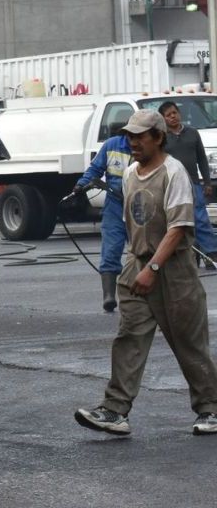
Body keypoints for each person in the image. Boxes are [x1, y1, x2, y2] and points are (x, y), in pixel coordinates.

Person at [74, 109, 217, 437]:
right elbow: (132, 223)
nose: (132, 142)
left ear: (158, 137)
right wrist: (134, 264)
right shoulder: (130, 174)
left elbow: (179, 228)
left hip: (173, 271)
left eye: (140, 136)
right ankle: (115, 411)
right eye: (130, 136)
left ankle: (210, 408)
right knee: (129, 338)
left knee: (188, 343)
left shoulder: (173, 172)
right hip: (137, 267)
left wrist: (153, 268)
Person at [73, 131, 133, 312]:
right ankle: (108, 295)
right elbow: (95, 169)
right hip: (115, 204)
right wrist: (80, 185)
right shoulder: (112, 145)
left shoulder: (148, 148)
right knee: (111, 248)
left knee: (143, 250)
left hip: (140, 204)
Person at [158, 101, 217, 268]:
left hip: (193, 183)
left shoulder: (192, 133)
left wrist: (206, 182)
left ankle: (211, 253)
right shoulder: (161, 137)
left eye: (174, 113)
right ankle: (189, 255)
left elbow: (202, 159)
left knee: (200, 219)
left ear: (179, 114)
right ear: (163, 119)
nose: (173, 117)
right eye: (168, 115)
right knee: (178, 221)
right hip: (172, 185)